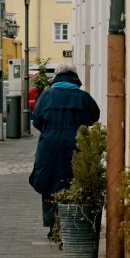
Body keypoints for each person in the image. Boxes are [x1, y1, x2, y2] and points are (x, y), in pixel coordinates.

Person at [29, 66, 100, 228]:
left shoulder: (46, 96)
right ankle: (72, 223)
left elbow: (37, 120)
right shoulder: (83, 97)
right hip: (76, 145)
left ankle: (52, 224)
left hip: (49, 145)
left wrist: (51, 131)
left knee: (48, 180)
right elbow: (94, 117)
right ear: (74, 77)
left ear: (56, 76)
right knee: (73, 181)